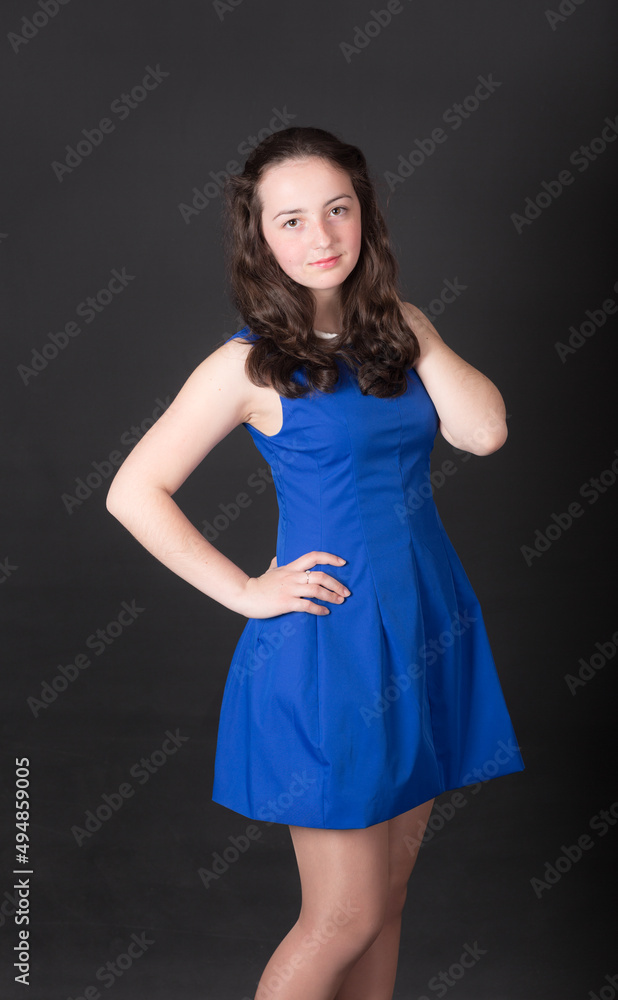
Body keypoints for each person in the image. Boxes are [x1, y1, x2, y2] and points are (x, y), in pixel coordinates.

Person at [106, 126, 525, 1000]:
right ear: (260, 239)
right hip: (330, 642)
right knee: (343, 916)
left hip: (426, 624)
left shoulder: (402, 334)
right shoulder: (247, 365)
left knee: (390, 898)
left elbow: (482, 433)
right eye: (290, 220)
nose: (321, 236)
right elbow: (134, 490)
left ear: (365, 215)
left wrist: (415, 329)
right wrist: (247, 591)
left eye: (338, 210)